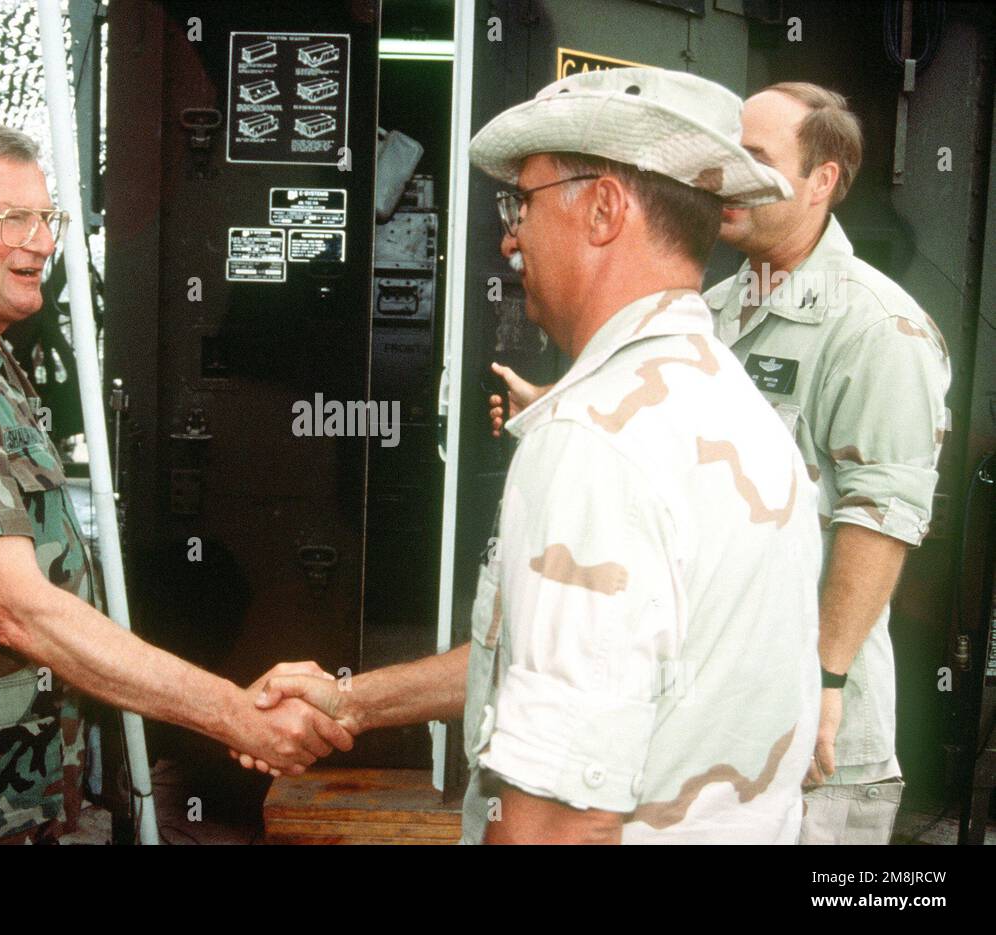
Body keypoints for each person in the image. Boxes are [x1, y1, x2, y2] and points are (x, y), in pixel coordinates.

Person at [246, 68, 824, 844]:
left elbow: (559, 821)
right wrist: (355, 701)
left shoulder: (592, 444)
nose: (509, 236)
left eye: (522, 202)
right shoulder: (736, 406)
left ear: (605, 209)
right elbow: (573, 655)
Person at [0, 117, 351, 844]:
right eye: (13, 219)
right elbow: (17, 607)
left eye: (47, 218)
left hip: (4, 777)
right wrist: (231, 711)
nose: (43, 243)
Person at [490, 83, 952, 845]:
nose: (724, 171)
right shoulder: (719, 302)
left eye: (756, 158)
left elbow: (882, 520)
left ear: (821, 181)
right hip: (706, 715)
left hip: (812, 734)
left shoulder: (878, 326)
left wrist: (827, 683)